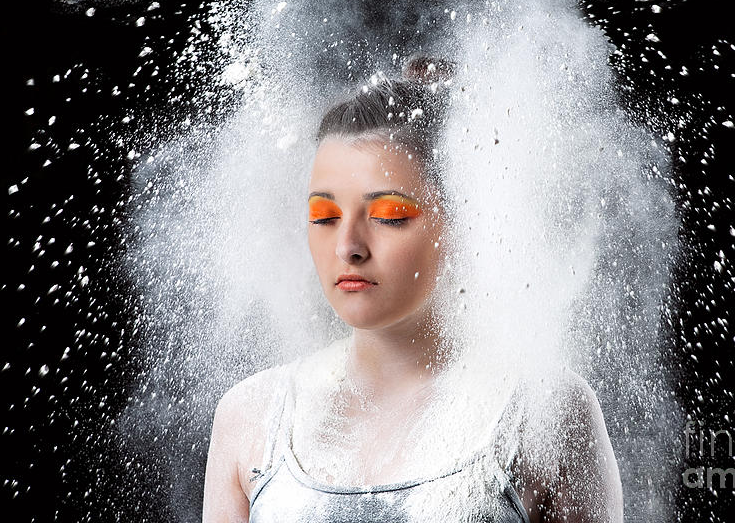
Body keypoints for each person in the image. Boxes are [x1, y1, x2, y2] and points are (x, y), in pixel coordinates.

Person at [201, 57, 623, 522]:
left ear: (462, 221)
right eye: (324, 217)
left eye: (389, 216)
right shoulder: (250, 415)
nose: (348, 247)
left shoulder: (544, 408)